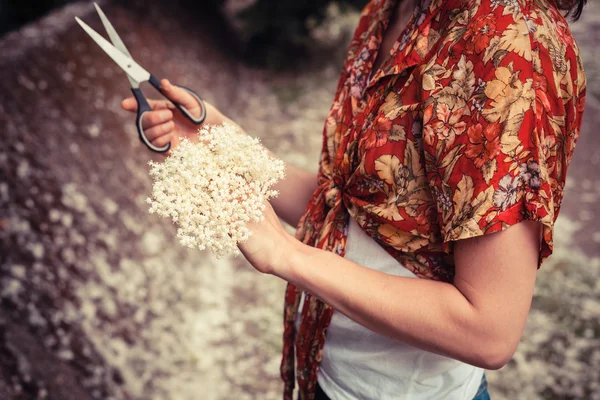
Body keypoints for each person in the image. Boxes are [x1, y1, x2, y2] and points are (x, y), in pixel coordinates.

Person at [121, 0, 586, 398]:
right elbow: (350, 207)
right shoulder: (388, 10)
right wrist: (224, 141)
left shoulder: (513, 44)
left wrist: (286, 255)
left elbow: (489, 331)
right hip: (324, 373)